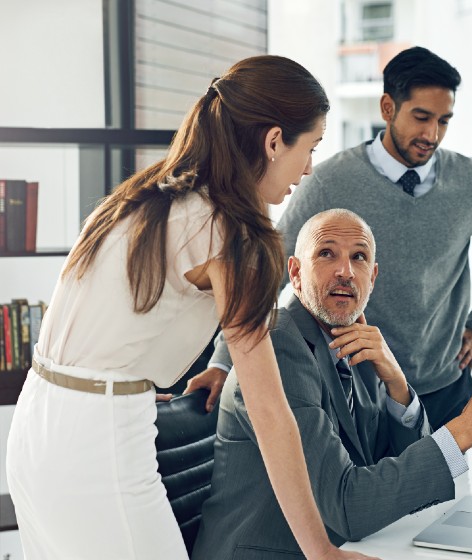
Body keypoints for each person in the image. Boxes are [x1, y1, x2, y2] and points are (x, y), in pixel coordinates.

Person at [6, 56, 377, 560]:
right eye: (308, 147)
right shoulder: (231, 233)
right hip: (98, 447)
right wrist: (321, 551)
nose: (308, 167)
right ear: (273, 142)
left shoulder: (142, 195)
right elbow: (269, 410)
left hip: (35, 427)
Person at [193, 46, 472, 430]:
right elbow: (271, 270)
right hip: (358, 391)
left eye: (444, 121)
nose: (432, 134)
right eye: (421, 117)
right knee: (366, 489)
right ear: (387, 108)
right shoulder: (327, 182)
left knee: (450, 488)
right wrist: (224, 360)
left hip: (445, 388)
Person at [192, 209, 472, 558]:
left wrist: (396, 382)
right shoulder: (279, 344)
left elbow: (397, 480)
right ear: (295, 273)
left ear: (373, 276)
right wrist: (464, 431)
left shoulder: (356, 345)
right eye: (326, 254)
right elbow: (348, 506)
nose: (345, 271)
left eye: (359, 257)